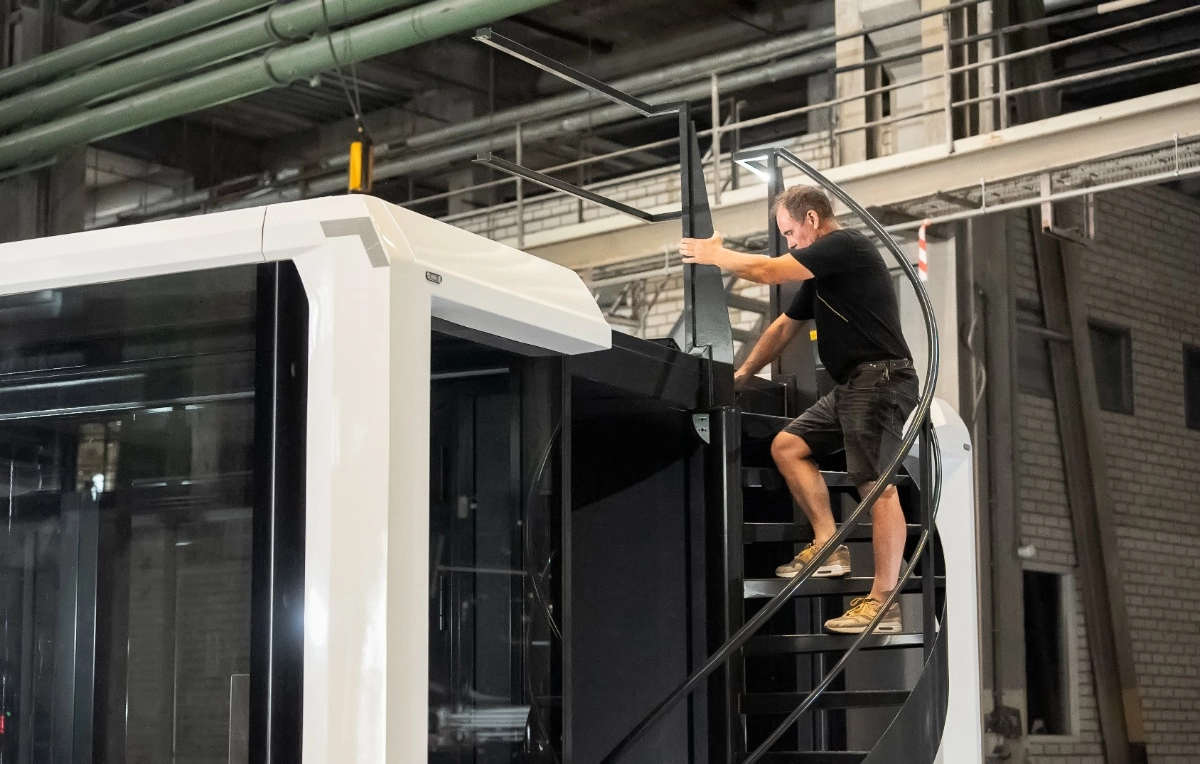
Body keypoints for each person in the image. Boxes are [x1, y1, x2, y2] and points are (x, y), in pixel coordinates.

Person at [678, 185, 917, 635]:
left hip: (880, 378)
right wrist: (744, 374)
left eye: (790, 232)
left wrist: (715, 255)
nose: (789, 242)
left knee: (877, 488)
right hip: (851, 384)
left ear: (811, 219)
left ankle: (883, 605)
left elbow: (768, 272)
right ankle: (829, 544)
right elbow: (785, 325)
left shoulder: (843, 246)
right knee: (788, 446)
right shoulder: (824, 275)